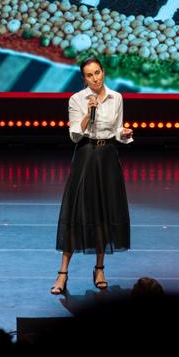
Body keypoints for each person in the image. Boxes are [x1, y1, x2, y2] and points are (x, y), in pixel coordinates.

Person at [52, 57, 133, 295]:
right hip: (86, 155)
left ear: (103, 72)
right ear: (83, 78)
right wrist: (89, 112)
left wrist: (125, 133)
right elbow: (75, 135)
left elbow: (117, 130)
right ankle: (62, 273)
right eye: (89, 75)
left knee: (104, 212)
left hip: (107, 156)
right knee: (78, 212)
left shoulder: (116, 97)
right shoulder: (76, 99)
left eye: (97, 73)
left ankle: (99, 269)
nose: (95, 79)